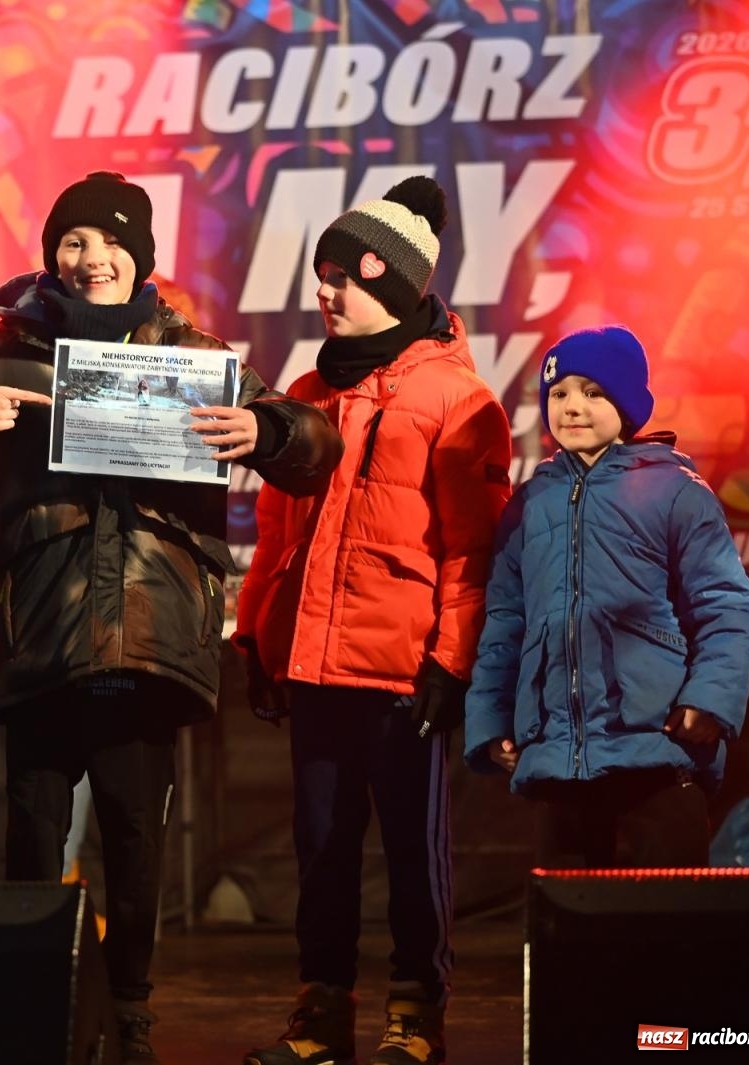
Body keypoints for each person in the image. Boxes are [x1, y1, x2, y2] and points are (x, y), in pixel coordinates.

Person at [0, 171, 342, 1064]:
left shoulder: (198, 358)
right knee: (31, 832)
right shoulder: (2, 355)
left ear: (143, 257)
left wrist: (266, 431)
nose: (92, 259)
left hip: (149, 637)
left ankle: (130, 1012)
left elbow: (314, 448)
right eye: (74, 243)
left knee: (135, 835)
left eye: (110, 242)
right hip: (42, 634)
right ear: (52, 254)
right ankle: (27, 1005)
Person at [234, 176, 512, 1065]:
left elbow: (475, 549)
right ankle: (321, 1013)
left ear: (390, 285)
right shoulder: (310, 386)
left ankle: (416, 1012)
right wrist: (257, 635)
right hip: (314, 663)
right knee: (321, 846)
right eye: (320, 274)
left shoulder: (457, 398)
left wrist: (452, 661)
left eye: (342, 277)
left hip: (402, 672)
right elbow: (279, 531)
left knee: (411, 849)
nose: (324, 291)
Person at [464, 326, 749, 868]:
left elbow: (727, 605)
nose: (573, 406)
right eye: (559, 393)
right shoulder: (528, 504)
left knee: (665, 934)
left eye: (593, 392)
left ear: (627, 404)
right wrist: (490, 720)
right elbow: (505, 620)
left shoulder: (675, 492)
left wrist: (710, 702)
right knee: (570, 935)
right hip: (557, 763)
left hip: (658, 756)